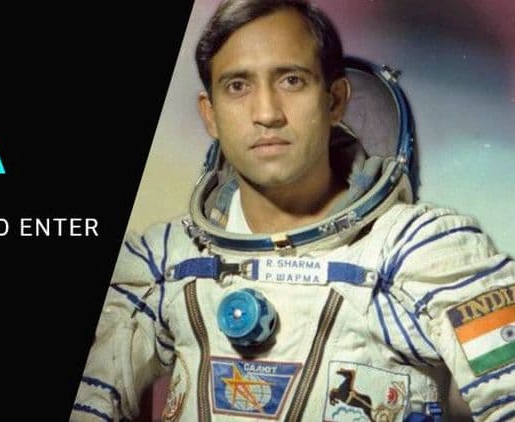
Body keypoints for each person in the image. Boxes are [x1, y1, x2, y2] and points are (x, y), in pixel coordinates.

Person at [71, 0, 515, 420]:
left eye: (291, 81)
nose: (267, 113)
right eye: (238, 86)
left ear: (335, 100)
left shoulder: (423, 254)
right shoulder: (163, 263)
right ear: (210, 115)